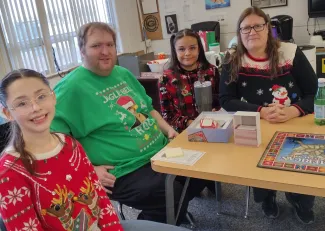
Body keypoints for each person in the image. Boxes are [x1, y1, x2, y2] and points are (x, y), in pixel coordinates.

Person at [51, 22, 209, 224]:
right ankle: (158, 219)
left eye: (110, 45)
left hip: (159, 152)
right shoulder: (70, 89)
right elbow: (53, 142)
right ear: (81, 50)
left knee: (202, 170)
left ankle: (163, 217)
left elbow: (148, 109)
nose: (105, 51)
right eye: (96, 45)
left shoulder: (122, 74)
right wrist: (89, 171)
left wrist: (168, 130)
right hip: (123, 170)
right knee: (170, 191)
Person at [0, 69, 190, 231]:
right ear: (7, 113)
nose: (36, 107)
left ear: (53, 97)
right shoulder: (10, 171)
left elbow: (100, 202)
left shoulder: (70, 145)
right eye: (22, 103)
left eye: (41, 96)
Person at [219, 7, 317, 224]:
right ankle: (267, 197)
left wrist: (292, 111)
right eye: (245, 28)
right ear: (239, 33)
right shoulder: (232, 59)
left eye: (258, 26)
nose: (251, 31)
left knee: (300, 159)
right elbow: (225, 100)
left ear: (268, 29)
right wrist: (261, 111)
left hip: (294, 121)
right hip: (256, 123)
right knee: (258, 161)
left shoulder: (290, 52)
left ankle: (300, 198)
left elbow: (315, 94)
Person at [160, 28, 220, 133]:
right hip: (184, 133)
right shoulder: (166, 78)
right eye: (181, 49)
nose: (187, 53)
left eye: (192, 48)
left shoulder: (212, 71)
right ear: (175, 51)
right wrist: (191, 123)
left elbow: (220, 100)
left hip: (213, 127)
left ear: (199, 49)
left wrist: (217, 112)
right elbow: (167, 116)